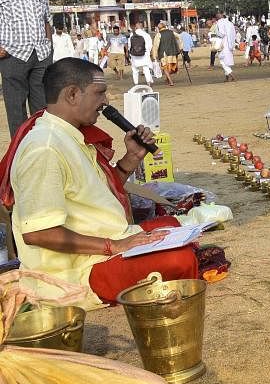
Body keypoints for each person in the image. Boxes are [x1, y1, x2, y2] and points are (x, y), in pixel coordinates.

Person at [0, 58, 197, 307]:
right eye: (99, 93)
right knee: (179, 260)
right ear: (72, 94)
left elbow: (99, 195)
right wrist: (114, 245)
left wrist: (131, 158)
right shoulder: (45, 148)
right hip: (76, 272)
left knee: (173, 226)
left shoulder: (69, 134)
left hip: (106, 244)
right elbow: (38, 233)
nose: (105, 102)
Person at [0, 0, 53, 135]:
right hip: (12, 55)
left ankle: (42, 144)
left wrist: (49, 45)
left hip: (41, 55)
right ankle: (20, 150)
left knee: (43, 107)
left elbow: (47, 20)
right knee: (16, 108)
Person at [128, 18, 154, 85]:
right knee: (146, 68)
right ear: (142, 26)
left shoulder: (132, 34)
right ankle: (148, 82)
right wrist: (148, 52)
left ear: (136, 26)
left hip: (134, 55)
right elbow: (150, 45)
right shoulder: (146, 34)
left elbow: (129, 45)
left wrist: (130, 53)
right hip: (144, 54)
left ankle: (136, 83)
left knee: (135, 69)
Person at [153, 21, 180, 86]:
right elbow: (179, 37)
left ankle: (170, 81)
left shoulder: (158, 34)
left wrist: (154, 55)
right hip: (172, 51)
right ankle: (168, 79)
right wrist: (180, 47)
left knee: (165, 67)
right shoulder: (171, 32)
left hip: (164, 53)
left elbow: (156, 45)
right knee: (170, 66)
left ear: (158, 28)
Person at [213, 12, 238, 82]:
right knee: (227, 62)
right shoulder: (230, 23)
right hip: (229, 45)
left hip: (223, 44)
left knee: (223, 62)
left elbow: (221, 34)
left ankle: (232, 75)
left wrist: (214, 33)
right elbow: (234, 34)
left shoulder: (219, 23)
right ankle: (227, 77)